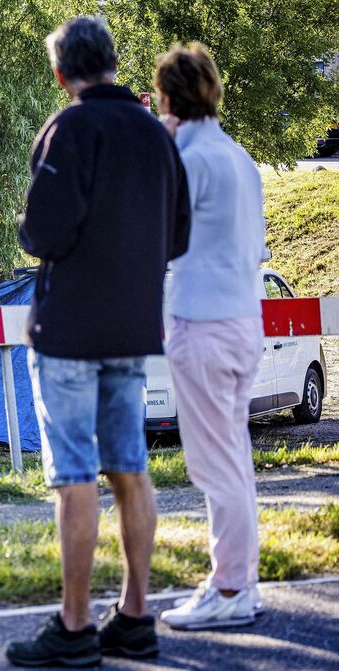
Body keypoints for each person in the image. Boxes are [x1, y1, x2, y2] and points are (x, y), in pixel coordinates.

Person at [5, 16, 190, 668]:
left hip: (71, 330)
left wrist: (31, 227)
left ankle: (76, 626)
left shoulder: (70, 129)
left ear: (62, 74)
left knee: (76, 476)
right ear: (113, 62)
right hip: (134, 326)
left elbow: (42, 234)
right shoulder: (154, 133)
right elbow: (178, 238)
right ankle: (136, 615)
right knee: (130, 469)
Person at [155, 43, 267, 630]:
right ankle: (240, 582)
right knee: (235, 459)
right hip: (245, 320)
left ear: (169, 99)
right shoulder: (240, 158)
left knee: (215, 465)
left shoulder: (189, 162)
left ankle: (229, 589)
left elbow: (160, 240)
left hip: (203, 324)